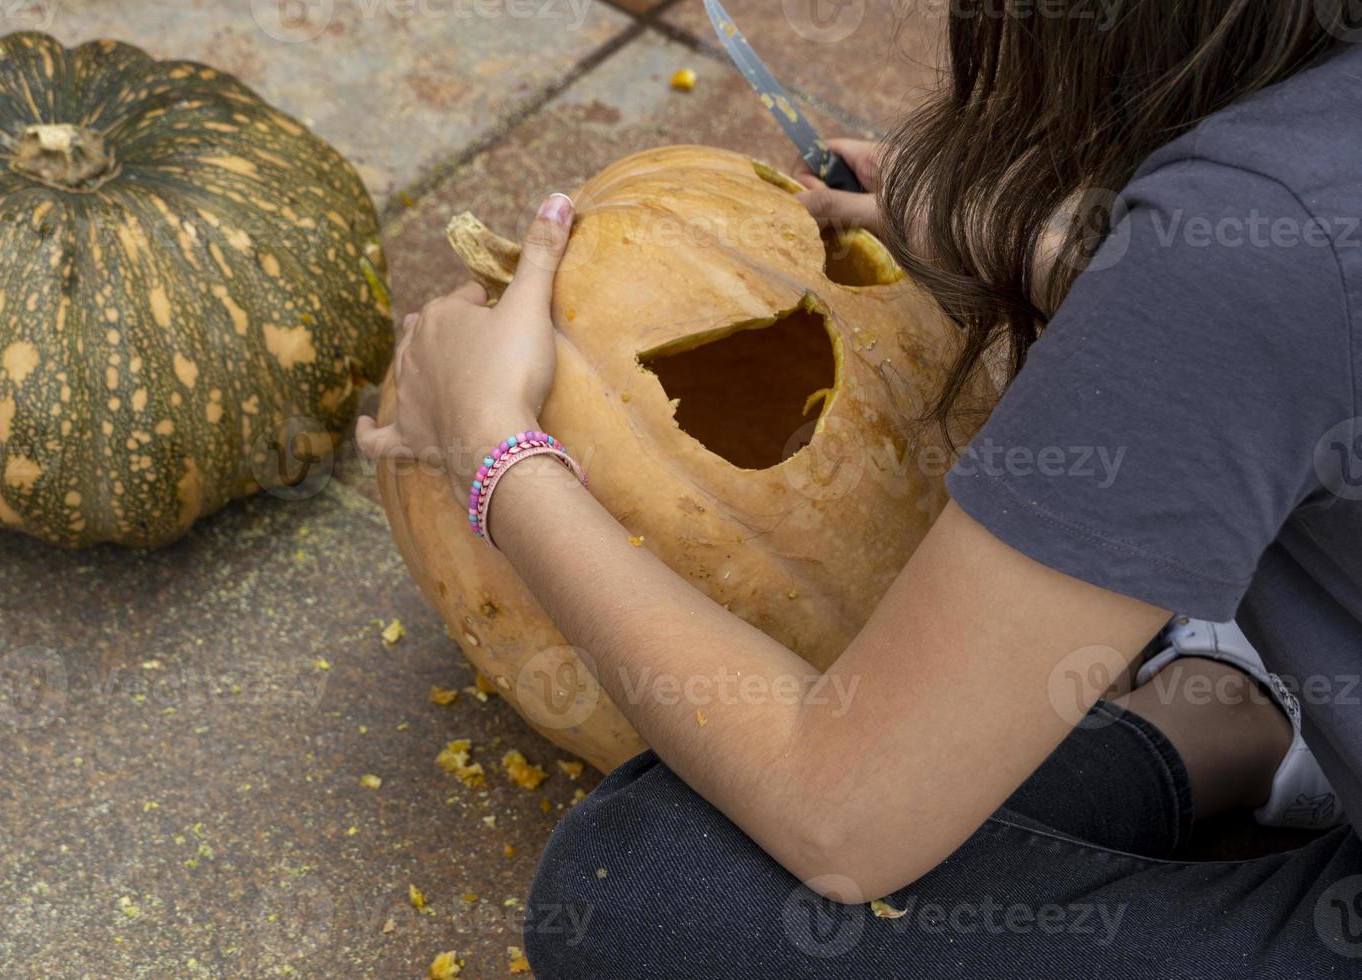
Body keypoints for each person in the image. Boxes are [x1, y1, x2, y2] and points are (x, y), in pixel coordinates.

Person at [358, 4, 1362, 975]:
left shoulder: (1236, 245)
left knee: (653, 883)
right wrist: (1071, 252)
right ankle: (1230, 714)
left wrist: (494, 446)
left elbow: (840, 812)